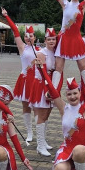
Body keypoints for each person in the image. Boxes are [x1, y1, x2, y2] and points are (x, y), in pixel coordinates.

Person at [1, 9, 38, 143]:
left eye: (31, 36)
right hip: (25, 80)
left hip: (36, 80)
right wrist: (7, 16)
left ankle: (40, 134)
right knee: (26, 106)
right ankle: (29, 132)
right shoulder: (22, 47)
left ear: (35, 37)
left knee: (37, 107)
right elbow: (15, 30)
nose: (28, 38)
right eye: (26, 36)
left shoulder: (41, 50)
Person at [29, 28, 58, 156]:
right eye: (49, 39)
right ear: (45, 40)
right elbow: (43, 72)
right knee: (41, 116)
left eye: (53, 39)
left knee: (46, 115)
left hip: (50, 84)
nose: (51, 41)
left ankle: (43, 141)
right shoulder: (41, 53)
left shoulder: (56, 53)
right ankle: (40, 145)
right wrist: (48, 90)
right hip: (42, 85)